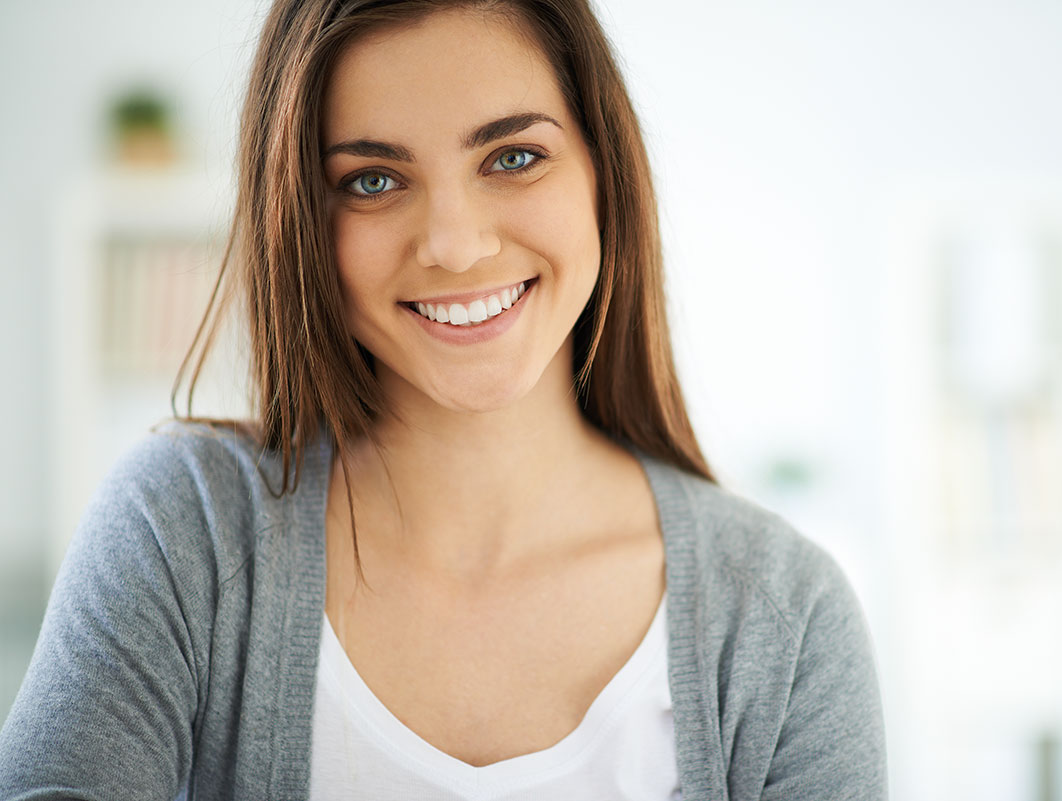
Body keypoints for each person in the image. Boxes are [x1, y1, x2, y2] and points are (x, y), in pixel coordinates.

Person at [0, 0, 887, 798]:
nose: (455, 247)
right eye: (373, 180)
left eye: (514, 157)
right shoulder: (183, 533)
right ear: (304, 219)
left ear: (603, 175)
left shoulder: (784, 617)